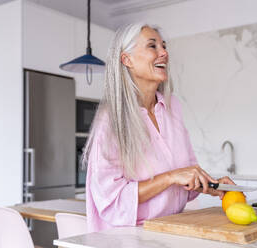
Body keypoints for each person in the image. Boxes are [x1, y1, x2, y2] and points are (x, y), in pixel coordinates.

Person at [83, 22, 234, 232]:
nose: (164, 52)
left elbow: (184, 178)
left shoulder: (173, 108)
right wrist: (170, 177)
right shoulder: (111, 120)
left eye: (164, 46)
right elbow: (111, 200)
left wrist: (212, 185)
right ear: (127, 60)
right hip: (125, 239)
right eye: (152, 46)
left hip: (168, 232)